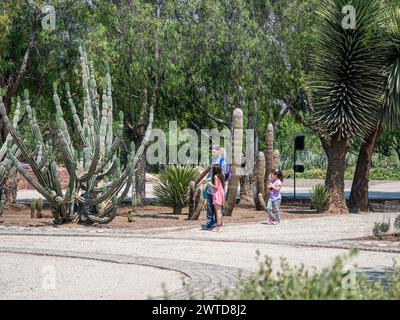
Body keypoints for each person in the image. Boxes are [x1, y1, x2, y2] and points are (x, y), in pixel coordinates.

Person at [201, 145, 227, 230]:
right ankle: (209, 222)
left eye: (214, 151)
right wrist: (206, 180)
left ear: (219, 151)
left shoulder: (222, 161)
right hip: (210, 186)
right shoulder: (212, 160)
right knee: (209, 205)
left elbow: (223, 175)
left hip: (217, 188)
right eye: (212, 151)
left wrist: (217, 184)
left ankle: (217, 223)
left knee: (217, 206)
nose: (212, 153)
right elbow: (210, 172)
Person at [206, 164, 225, 232]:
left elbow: (216, 187)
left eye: (212, 169)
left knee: (218, 211)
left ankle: (218, 227)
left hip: (217, 194)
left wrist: (209, 183)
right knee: (219, 211)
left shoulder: (215, 176)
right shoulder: (221, 176)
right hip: (221, 193)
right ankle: (219, 226)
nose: (211, 170)